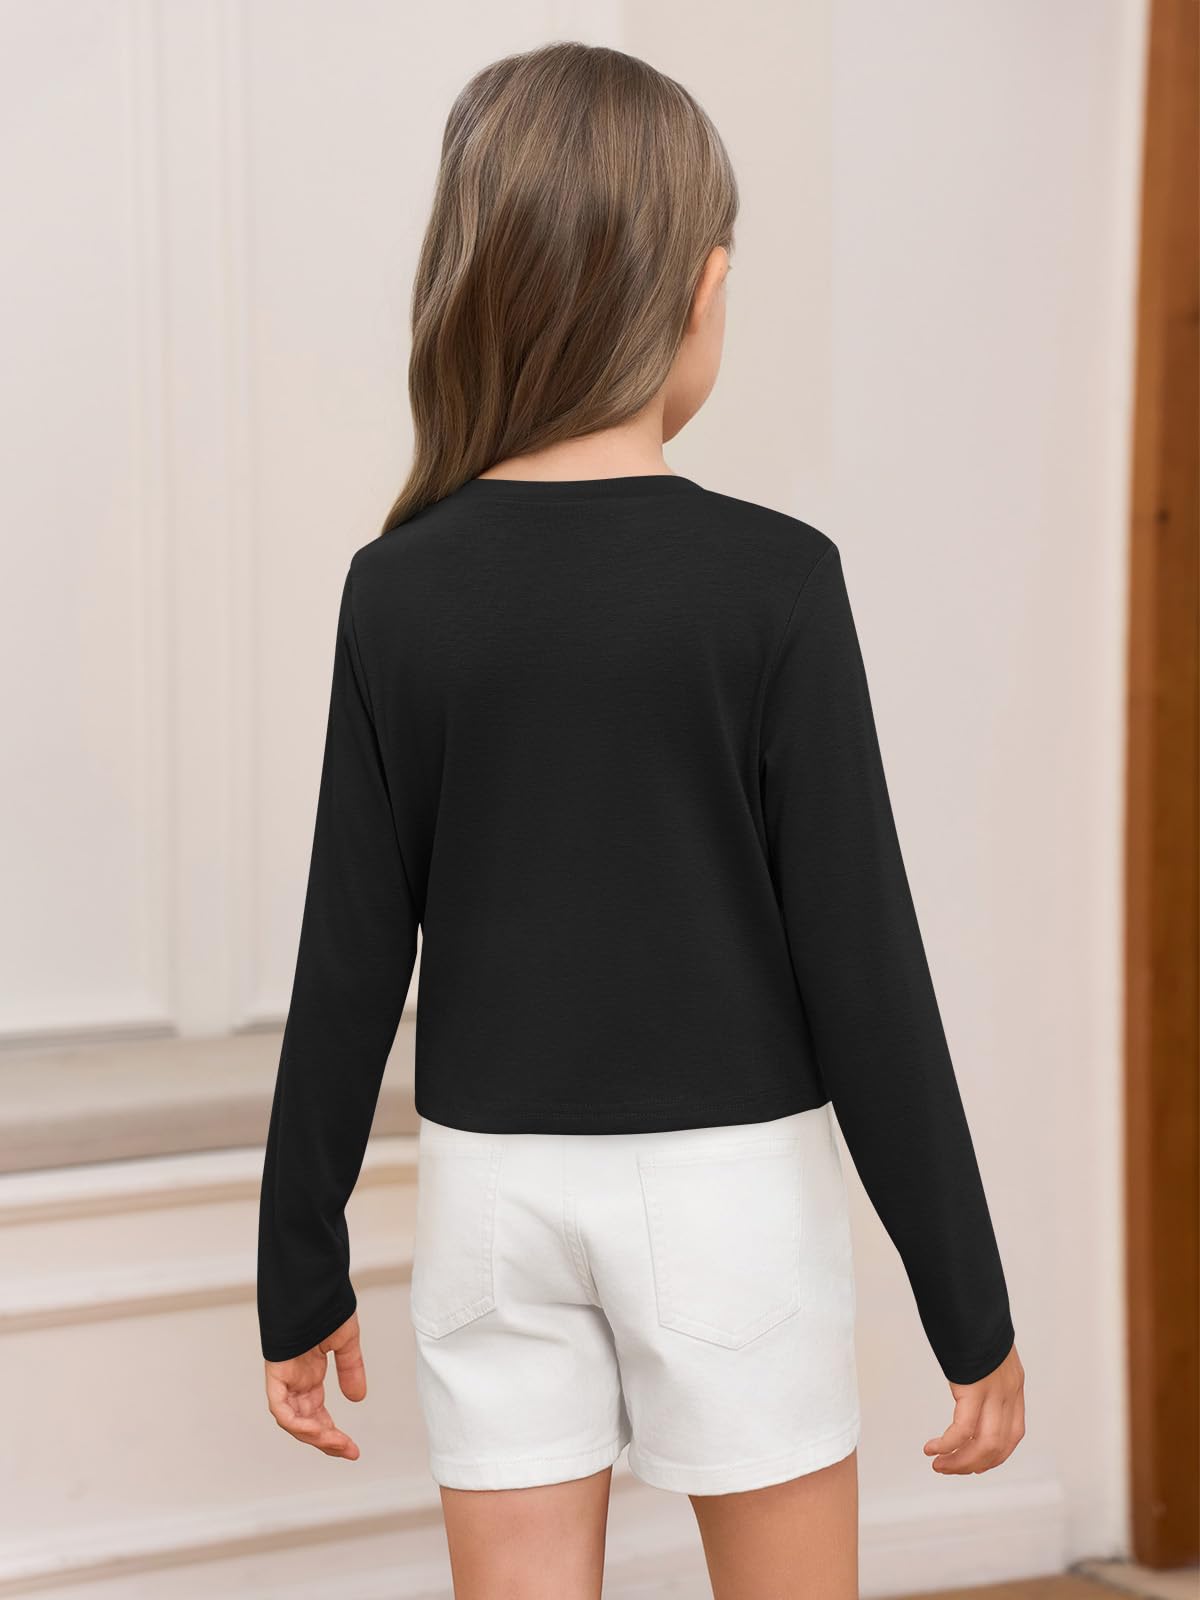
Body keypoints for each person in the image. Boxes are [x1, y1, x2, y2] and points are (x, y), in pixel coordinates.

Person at [256, 39, 1025, 1600]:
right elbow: (865, 969)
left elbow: (346, 960)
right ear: (699, 291)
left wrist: (296, 1267)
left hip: (488, 1200)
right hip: (730, 1195)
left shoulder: (397, 591)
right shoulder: (774, 583)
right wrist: (971, 1305)